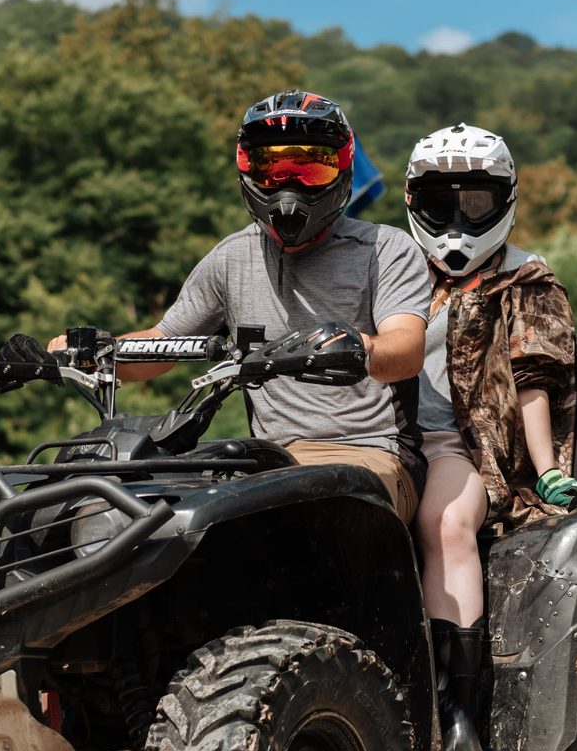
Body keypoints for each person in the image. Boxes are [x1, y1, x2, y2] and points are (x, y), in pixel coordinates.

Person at [53, 90, 430, 521]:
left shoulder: (385, 248)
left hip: (370, 452)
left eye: (309, 167)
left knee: (303, 515)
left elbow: (405, 351)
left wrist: (357, 346)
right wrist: (87, 353)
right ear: (247, 170)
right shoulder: (232, 258)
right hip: (265, 460)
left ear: (341, 169)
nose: (290, 187)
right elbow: (161, 345)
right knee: (148, 517)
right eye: (272, 169)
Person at [406, 123, 577, 751]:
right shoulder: (394, 269)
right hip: (382, 438)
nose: (458, 218)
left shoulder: (524, 281)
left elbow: (536, 383)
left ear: (503, 199)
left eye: (475, 202)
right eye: (442, 201)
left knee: (447, 520)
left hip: (466, 444)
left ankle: (458, 716)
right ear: (413, 200)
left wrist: (546, 471)